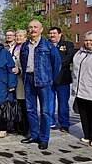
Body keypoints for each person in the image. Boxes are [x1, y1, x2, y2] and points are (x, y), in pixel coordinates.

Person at [19, 20, 61, 150]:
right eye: (30, 27)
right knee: (30, 109)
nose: (33, 30)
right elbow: (22, 61)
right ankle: (34, 134)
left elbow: (57, 64)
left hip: (44, 81)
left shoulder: (48, 46)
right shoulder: (25, 46)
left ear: (41, 29)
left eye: (35, 27)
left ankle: (44, 138)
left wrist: (50, 79)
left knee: (45, 111)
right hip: (29, 79)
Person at [48, 26, 75, 132]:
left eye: (54, 33)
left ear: (60, 34)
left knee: (63, 103)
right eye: (50, 33)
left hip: (63, 79)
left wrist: (54, 64)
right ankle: (50, 122)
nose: (52, 35)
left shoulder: (68, 45)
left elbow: (68, 59)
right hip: (49, 79)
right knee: (49, 102)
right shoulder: (46, 45)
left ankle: (64, 124)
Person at [12, 30, 29, 136]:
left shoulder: (26, 48)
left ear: (25, 38)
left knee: (24, 105)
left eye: (21, 36)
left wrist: (20, 70)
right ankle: (18, 126)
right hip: (15, 80)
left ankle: (26, 128)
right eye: (17, 36)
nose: (18, 37)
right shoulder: (14, 48)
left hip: (23, 80)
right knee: (17, 104)